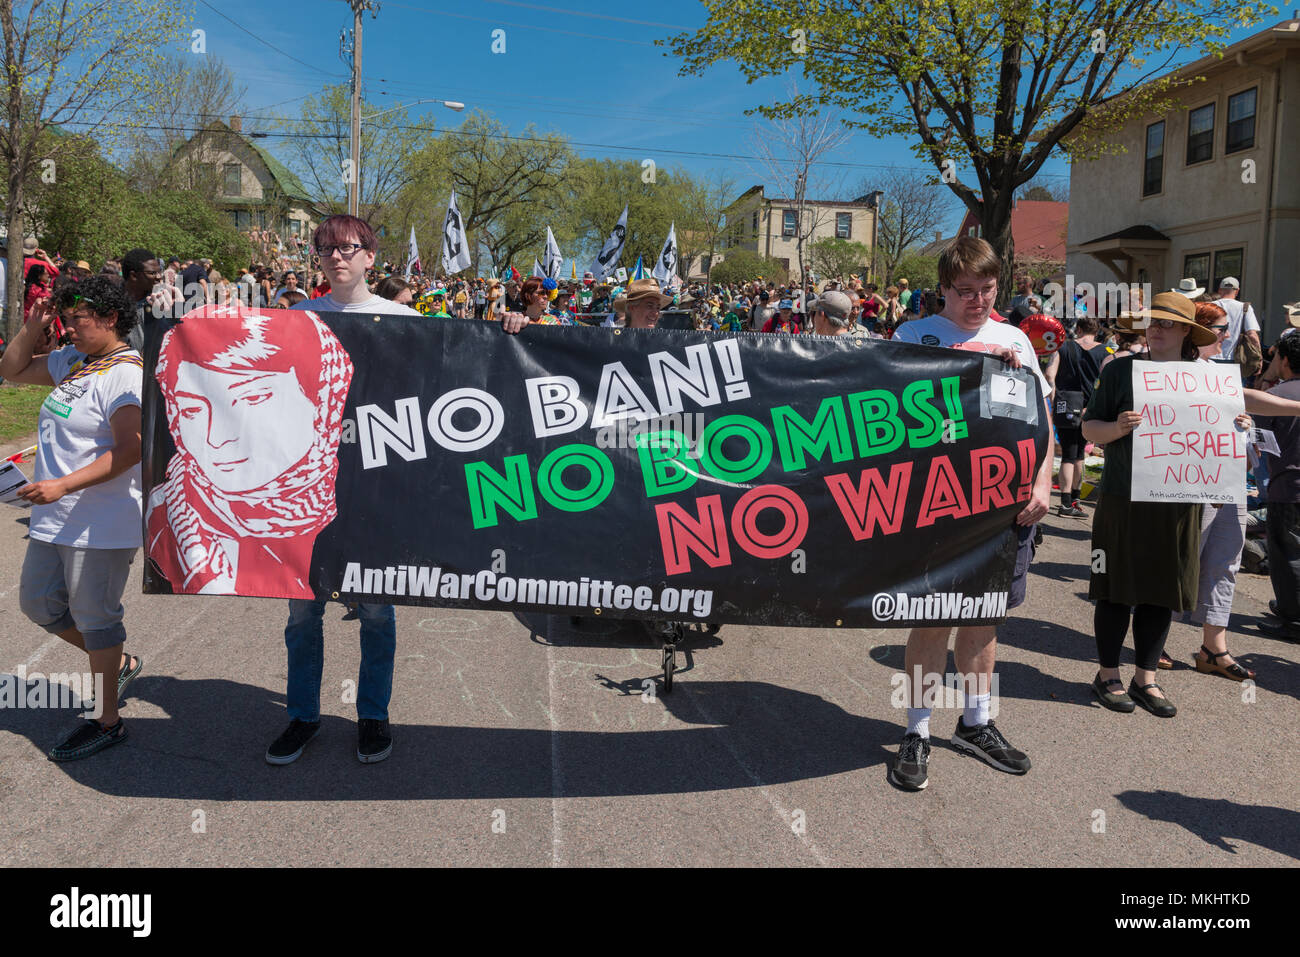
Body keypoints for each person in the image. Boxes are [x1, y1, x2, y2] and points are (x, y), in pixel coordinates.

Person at [264, 214, 526, 767]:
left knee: (378, 612)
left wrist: (508, 330)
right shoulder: (296, 318)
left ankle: (373, 715)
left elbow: (463, 367)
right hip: (311, 489)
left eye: (348, 248)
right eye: (326, 249)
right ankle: (302, 716)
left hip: (382, 491)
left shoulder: (403, 318)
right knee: (303, 612)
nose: (337, 257)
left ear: (369, 257)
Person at [1082, 292, 1300, 717]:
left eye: (1167, 323)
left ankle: (1146, 677)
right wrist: (1115, 427)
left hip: (1179, 501)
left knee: (1161, 592)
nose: (1157, 329)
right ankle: (1107, 674)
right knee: (1114, 590)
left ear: (1186, 331)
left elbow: (1246, 403)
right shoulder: (1122, 369)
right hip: (1122, 498)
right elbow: (1090, 426)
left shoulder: (1205, 376)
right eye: (1152, 323)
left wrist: (1242, 422)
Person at [888, 236, 1052, 791]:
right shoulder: (912, 336)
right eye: (964, 292)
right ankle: (916, 728)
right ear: (941, 290)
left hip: (1003, 506)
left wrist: (1043, 480)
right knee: (932, 616)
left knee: (985, 616)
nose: (977, 302)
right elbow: (885, 422)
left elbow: (1042, 422)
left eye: (986, 290)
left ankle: (978, 721)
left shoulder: (1014, 340)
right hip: (934, 501)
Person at [0, 276, 145, 760]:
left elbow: (131, 450)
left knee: (96, 618)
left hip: (99, 523)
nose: (68, 329)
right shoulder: (77, 363)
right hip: (53, 516)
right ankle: (117, 661)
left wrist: (62, 484)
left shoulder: (126, 374)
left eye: (77, 320)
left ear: (109, 320)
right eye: (64, 319)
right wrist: (31, 326)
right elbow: (12, 371)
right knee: (39, 603)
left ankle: (108, 720)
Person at [145, 305, 354, 602]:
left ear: (320, 402)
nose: (215, 439)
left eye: (253, 398)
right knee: (302, 624)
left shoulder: (363, 502)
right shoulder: (164, 519)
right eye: (191, 410)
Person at [1254, 329, 1300, 638]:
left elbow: (1256, 444)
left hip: (1288, 486)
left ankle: (1293, 618)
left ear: (1283, 360)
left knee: (1287, 553)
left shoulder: (1274, 396)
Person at [1051, 315, 1107, 516]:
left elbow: (1050, 375)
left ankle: (1065, 503)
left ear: (1079, 329)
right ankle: (1076, 499)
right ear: (1097, 330)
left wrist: (1053, 398)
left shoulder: (1063, 347)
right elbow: (1106, 380)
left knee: (1067, 454)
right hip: (1090, 408)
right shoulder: (1106, 351)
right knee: (1080, 454)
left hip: (1065, 405)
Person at [1211, 277, 1261, 367]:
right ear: (1237, 291)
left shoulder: (1210, 306)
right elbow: (1252, 335)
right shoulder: (1245, 308)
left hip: (1210, 357)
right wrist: (1259, 358)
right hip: (1234, 359)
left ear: (1219, 290)